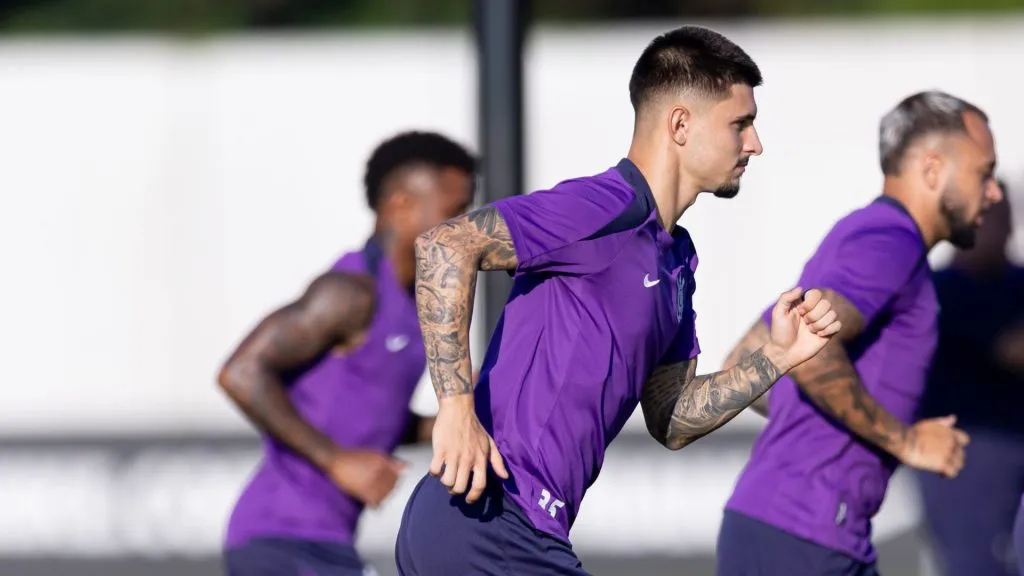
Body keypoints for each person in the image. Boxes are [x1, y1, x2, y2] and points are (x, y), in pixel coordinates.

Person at [394, 25, 844, 576]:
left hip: (493, 526)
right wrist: (455, 409)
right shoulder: (604, 207)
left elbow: (672, 418)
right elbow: (445, 246)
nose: (755, 143)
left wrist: (777, 357)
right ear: (680, 124)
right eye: (740, 123)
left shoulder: (676, 258)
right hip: (491, 515)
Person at [716, 91, 1003, 576]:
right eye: (984, 172)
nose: (993, 193)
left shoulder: (872, 235)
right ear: (933, 169)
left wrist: (816, 413)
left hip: (790, 531)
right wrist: (906, 441)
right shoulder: (890, 240)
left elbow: (747, 358)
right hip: (803, 539)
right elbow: (805, 348)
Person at [217, 131, 477, 575]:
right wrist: (337, 461)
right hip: (277, 537)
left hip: (327, 544)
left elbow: (370, 414)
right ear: (402, 206)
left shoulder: (415, 306)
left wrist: (457, 422)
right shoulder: (351, 293)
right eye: (454, 212)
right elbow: (240, 372)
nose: (468, 230)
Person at [916, 185, 1024, 576]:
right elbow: (1012, 350)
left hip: (1012, 443)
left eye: (1006, 215)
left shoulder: (1017, 280)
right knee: (978, 565)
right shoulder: (943, 287)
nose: (1004, 227)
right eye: (990, 214)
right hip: (966, 454)